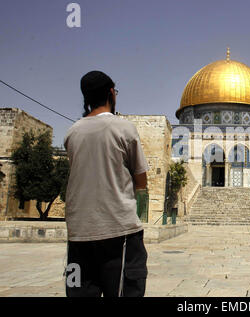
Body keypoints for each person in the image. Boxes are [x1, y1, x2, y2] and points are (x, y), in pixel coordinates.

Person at [64, 71, 149, 297]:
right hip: (118, 232)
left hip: (78, 236)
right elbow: (141, 180)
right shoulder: (124, 128)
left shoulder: (71, 132)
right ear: (112, 93)